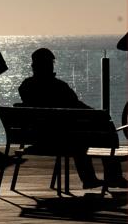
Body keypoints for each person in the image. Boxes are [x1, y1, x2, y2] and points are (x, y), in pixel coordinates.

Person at [17, 48, 127, 189]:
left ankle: (90, 179)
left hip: (40, 137)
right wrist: (97, 114)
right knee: (106, 131)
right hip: (61, 138)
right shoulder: (59, 87)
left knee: (78, 136)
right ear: (49, 65)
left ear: (34, 66)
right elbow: (76, 106)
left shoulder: (25, 87)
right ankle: (112, 176)